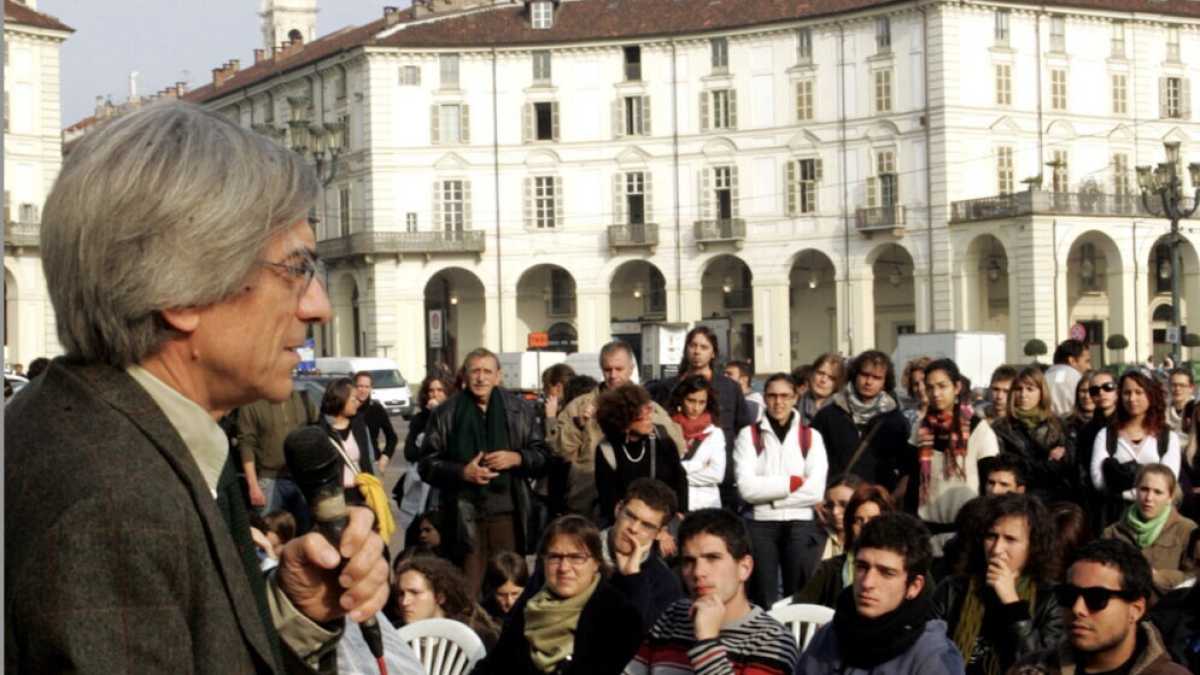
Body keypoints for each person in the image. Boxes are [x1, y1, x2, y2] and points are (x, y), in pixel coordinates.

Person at [6, 101, 388, 673]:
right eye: (295, 269)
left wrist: (292, 614)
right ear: (182, 293)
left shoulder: (128, 433)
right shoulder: (115, 503)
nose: (319, 307)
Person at [418, 347, 551, 595]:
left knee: (509, 587)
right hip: (463, 515)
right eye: (475, 371)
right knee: (468, 590)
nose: (481, 378)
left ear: (498, 376)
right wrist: (461, 472)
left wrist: (517, 457)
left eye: (487, 371)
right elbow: (426, 464)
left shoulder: (519, 409)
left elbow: (543, 455)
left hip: (509, 514)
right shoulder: (446, 412)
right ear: (465, 376)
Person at [626, 508, 800, 675]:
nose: (698, 572)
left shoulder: (773, 641)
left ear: (744, 568)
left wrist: (707, 641)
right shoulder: (674, 616)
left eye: (712, 558)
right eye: (689, 561)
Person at [797, 513, 965, 675]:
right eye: (862, 567)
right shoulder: (830, 636)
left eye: (887, 573)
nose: (867, 583)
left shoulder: (932, 658)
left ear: (914, 586)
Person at [476, 515, 644, 675]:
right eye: (555, 557)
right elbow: (494, 665)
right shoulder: (530, 608)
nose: (564, 568)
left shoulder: (618, 615)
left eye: (576, 557)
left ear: (596, 563)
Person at [1014, 539, 1191, 675]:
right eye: (1068, 595)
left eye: (1096, 598)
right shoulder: (1030, 669)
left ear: (1136, 609)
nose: (1078, 609)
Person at [933, 494, 1064, 675]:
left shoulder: (1050, 597)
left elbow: (1041, 666)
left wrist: (1013, 604)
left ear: (1033, 545)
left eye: (1010, 539)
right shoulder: (953, 589)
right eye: (991, 536)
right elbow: (929, 652)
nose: (996, 549)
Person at [556, 341, 685, 520]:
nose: (613, 375)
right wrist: (580, 424)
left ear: (631, 369)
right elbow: (560, 451)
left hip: (639, 507)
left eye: (619, 369)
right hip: (587, 502)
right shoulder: (579, 407)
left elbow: (677, 449)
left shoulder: (650, 408)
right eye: (607, 370)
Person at [735, 372, 829, 607]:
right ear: (764, 398)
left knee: (798, 594)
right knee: (763, 596)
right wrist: (790, 483)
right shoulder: (749, 435)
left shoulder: (811, 437)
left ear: (795, 397)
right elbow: (746, 489)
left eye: (785, 396)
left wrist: (771, 499)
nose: (779, 402)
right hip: (761, 525)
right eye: (773, 396)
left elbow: (816, 491)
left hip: (799, 523)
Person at [649, 326, 753, 509]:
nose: (697, 351)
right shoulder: (667, 387)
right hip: (674, 483)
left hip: (721, 482)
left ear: (713, 353)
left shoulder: (729, 388)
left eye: (704, 347)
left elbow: (744, 431)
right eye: (693, 345)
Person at [912, 359, 998, 539]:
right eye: (930, 387)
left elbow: (989, 481)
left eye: (942, 386)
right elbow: (913, 481)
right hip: (926, 530)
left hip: (966, 530)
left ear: (957, 387)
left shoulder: (979, 429)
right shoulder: (921, 428)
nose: (935, 393)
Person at [1092, 370, 1183, 527]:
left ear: (1151, 394)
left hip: (1157, 521)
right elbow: (1099, 481)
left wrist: (1123, 490)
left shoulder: (1168, 437)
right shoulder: (1106, 435)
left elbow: (1168, 481)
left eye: (1138, 392)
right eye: (1127, 393)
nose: (1132, 398)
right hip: (1116, 518)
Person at [812, 349, 910, 491]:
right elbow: (812, 459)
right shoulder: (828, 415)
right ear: (855, 375)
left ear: (885, 382)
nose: (869, 382)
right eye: (864, 375)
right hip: (835, 496)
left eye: (876, 377)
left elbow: (904, 467)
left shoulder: (895, 421)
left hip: (875, 501)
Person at [594, 383, 688, 526]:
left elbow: (679, 479)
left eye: (649, 412)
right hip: (627, 521)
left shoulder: (661, 438)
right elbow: (609, 502)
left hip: (664, 518)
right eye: (641, 417)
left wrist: (671, 521)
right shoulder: (607, 450)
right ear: (624, 422)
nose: (650, 418)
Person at [793, 483, 895, 608]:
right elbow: (799, 610)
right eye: (859, 520)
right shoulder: (831, 568)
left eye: (873, 520)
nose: (866, 527)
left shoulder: (901, 568)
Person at [1103, 464, 1197, 597]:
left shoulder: (1187, 530)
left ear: (1170, 497)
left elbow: (1194, 576)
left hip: (1167, 612)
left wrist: (1157, 577)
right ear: (1135, 491)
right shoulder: (1112, 533)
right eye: (1144, 489)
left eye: (1158, 492)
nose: (1149, 498)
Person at [238, 386, 319, 530]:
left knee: (306, 529)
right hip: (268, 479)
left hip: (300, 478)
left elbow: (318, 428)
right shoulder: (252, 403)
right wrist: (253, 485)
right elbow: (246, 444)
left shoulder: (302, 398)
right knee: (268, 531)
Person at [988, 366, 1073, 500]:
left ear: (1041, 392)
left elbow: (1066, 465)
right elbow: (1010, 469)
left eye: (1030, 389)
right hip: (1018, 499)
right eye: (1018, 389)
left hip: (1056, 498)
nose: (1023, 394)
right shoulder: (1002, 428)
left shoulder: (1057, 424)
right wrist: (1047, 462)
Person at [389, 554, 500, 649]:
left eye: (415, 592)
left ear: (439, 597)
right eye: (401, 594)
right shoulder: (391, 636)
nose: (404, 602)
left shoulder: (475, 635)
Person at [396, 374, 451, 532]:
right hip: (420, 480)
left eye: (440, 390)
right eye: (431, 390)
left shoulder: (453, 417)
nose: (435, 394)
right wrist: (430, 416)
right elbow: (410, 452)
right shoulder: (419, 419)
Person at [667, 375, 726, 511]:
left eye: (701, 402)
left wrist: (679, 475)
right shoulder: (667, 428)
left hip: (706, 505)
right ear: (681, 399)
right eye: (691, 400)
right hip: (674, 505)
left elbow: (717, 474)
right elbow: (665, 471)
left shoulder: (714, 432)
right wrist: (698, 465)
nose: (696, 407)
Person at [318, 377, 378, 505]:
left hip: (360, 493)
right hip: (334, 498)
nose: (358, 402)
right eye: (353, 399)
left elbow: (368, 461)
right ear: (341, 400)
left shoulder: (359, 424)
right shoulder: (320, 430)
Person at [352, 370, 399, 473]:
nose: (363, 390)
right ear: (353, 387)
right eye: (360, 386)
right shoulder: (347, 409)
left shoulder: (376, 409)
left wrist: (385, 458)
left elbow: (392, 437)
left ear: (371, 388)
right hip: (351, 465)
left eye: (366, 387)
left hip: (373, 463)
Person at [814, 473, 864, 565]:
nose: (835, 511)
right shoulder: (812, 537)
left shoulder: (869, 542)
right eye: (829, 505)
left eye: (844, 505)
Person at [1045, 339, 1092, 417]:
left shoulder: (1044, 377)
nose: (1089, 367)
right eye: (1087, 361)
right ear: (1072, 360)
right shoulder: (1077, 378)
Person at [482, 551, 530, 623]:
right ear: (491, 590)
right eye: (501, 595)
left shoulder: (537, 612)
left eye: (515, 594)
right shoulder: (481, 616)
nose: (509, 602)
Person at [799, 352, 844, 425]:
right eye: (820, 373)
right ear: (811, 373)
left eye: (831, 378)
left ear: (837, 383)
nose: (823, 380)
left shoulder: (842, 410)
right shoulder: (795, 403)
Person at [540, 362, 576, 442]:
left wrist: (551, 418)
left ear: (558, 387)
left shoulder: (571, 412)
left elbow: (555, 445)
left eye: (546, 387)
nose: (544, 391)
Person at [900, 356, 932, 429]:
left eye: (924, 381)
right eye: (916, 384)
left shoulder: (947, 414)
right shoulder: (905, 418)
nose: (921, 388)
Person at [1166, 368, 1196, 435]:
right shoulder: (1162, 410)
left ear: (1191, 388)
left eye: (1182, 385)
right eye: (1174, 385)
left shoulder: (1196, 411)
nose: (1177, 389)